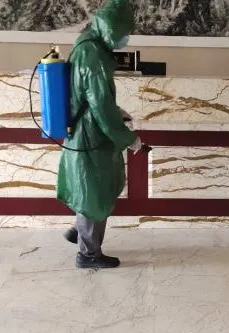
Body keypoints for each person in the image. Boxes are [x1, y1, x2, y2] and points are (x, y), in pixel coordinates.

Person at [56, 0, 141, 269]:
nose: (125, 39)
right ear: (111, 29)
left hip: (84, 131)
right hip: (91, 136)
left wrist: (117, 110)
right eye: (123, 33)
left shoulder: (87, 44)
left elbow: (92, 97)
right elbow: (101, 107)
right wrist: (128, 138)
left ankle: (81, 233)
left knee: (90, 189)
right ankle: (88, 254)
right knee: (95, 192)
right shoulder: (94, 55)